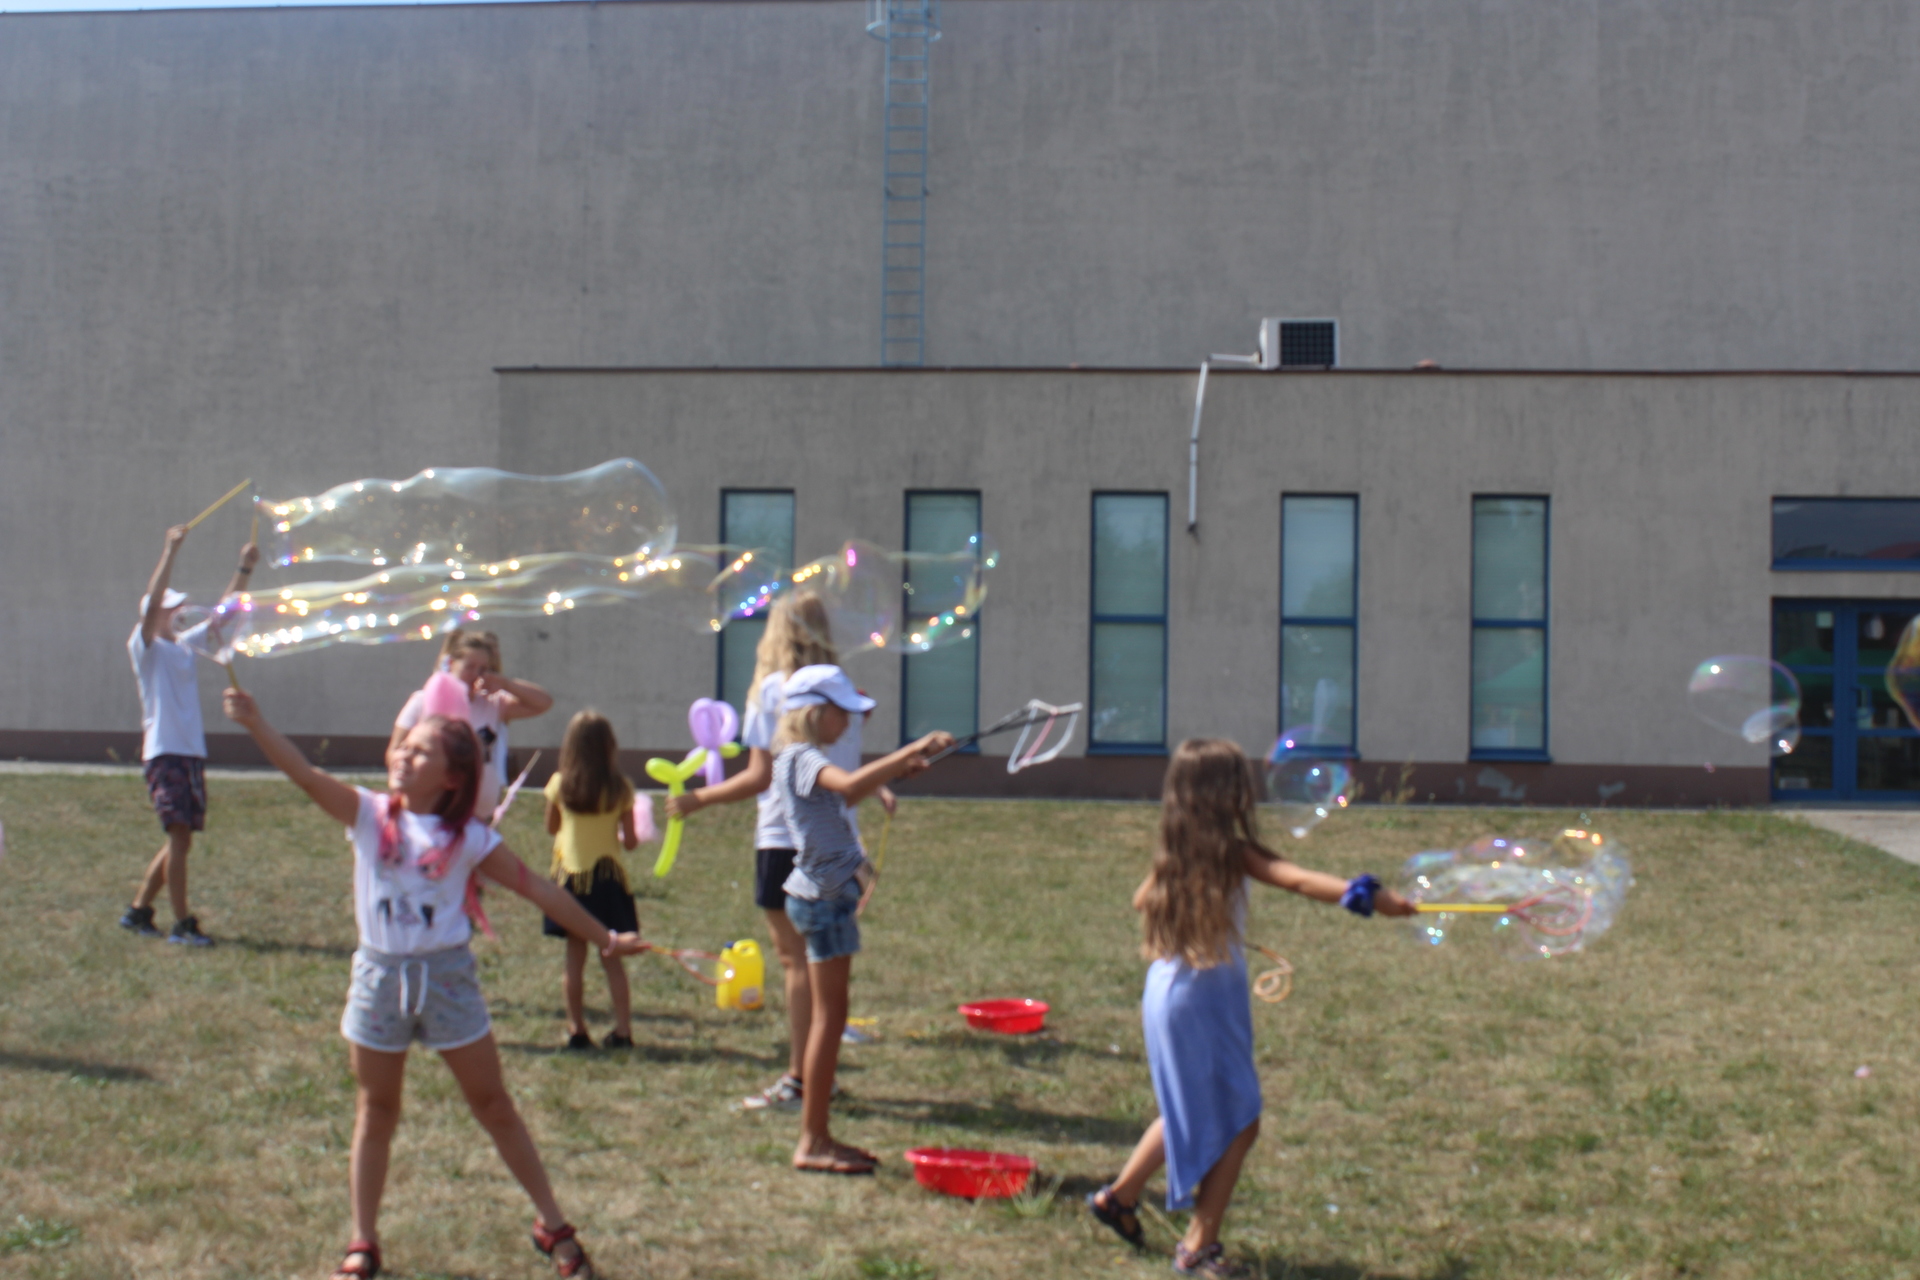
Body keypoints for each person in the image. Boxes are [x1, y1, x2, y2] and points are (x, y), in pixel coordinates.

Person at [223, 686, 644, 1280]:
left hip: (447, 982)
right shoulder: (369, 814)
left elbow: (538, 889)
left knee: (494, 1105)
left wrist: (605, 938)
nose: (403, 757)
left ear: (451, 779)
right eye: (404, 748)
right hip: (380, 978)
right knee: (377, 1108)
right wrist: (256, 722)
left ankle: (552, 1223)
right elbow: (304, 774)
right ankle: (362, 1241)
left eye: (421, 754)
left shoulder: (469, 839)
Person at [1084, 739, 1414, 1277]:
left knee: (1191, 1110)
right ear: (1225, 794)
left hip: (1167, 993)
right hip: (1202, 1003)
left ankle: (1118, 1199)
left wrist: (1205, 915)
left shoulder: (1176, 854)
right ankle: (1197, 1248)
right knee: (1239, 1119)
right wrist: (1369, 897)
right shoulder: (1233, 853)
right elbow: (1300, 880)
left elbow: (1142, 900)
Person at [663, 592, 895, 1112]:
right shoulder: (846, 694)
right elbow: (846, 773)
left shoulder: (772, 691)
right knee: (823, 968)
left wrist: (696, 798)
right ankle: (818, 1078)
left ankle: (800, 1080)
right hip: (837, 845)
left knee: (795, 964)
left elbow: (759, 776)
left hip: (783, 839)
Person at [768, 664, 951, 1174]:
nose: (849, 723)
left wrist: (899, 767)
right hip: (822, 901)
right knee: (830, 1020)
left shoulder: (803, 759)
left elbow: (844, 795)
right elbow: (848, 785)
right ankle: (813, 1138)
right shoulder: (799, 757)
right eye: (842, 713)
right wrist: (905, 753)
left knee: (832, 1017)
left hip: (824, 895)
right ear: (815, 712)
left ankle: (816, 1133)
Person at [119, 522, 258, 946]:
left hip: (189, 752)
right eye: (169, 605)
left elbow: (225, 614)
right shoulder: (144, 648)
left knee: (182, 840)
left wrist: (244, 568)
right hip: (164, 752)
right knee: (178, 836)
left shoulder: (184, 644)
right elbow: (154, 597)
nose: (177, 610)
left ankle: (139, 911)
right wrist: (171, 550)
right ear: (153, 612)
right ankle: (182, 925)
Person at [540, 710, 640, 1050]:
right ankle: (623, 1031)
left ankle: (576, 1029)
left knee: (574, 956)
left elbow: (551, 827)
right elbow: (630, 841)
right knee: (612, 957)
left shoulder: (559, 783)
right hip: (608, 880)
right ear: (609, 746)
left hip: (571, 880)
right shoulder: (621, 789)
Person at [390, 630, 552, 821]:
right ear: (451, 664)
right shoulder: (421, 701)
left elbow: (543, 703)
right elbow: (394, 750)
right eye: (470, 666)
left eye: (483, 669)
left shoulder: (493, 703)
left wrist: (506, 684)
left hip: (478, 810)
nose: (476, 674)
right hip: (432, 805)